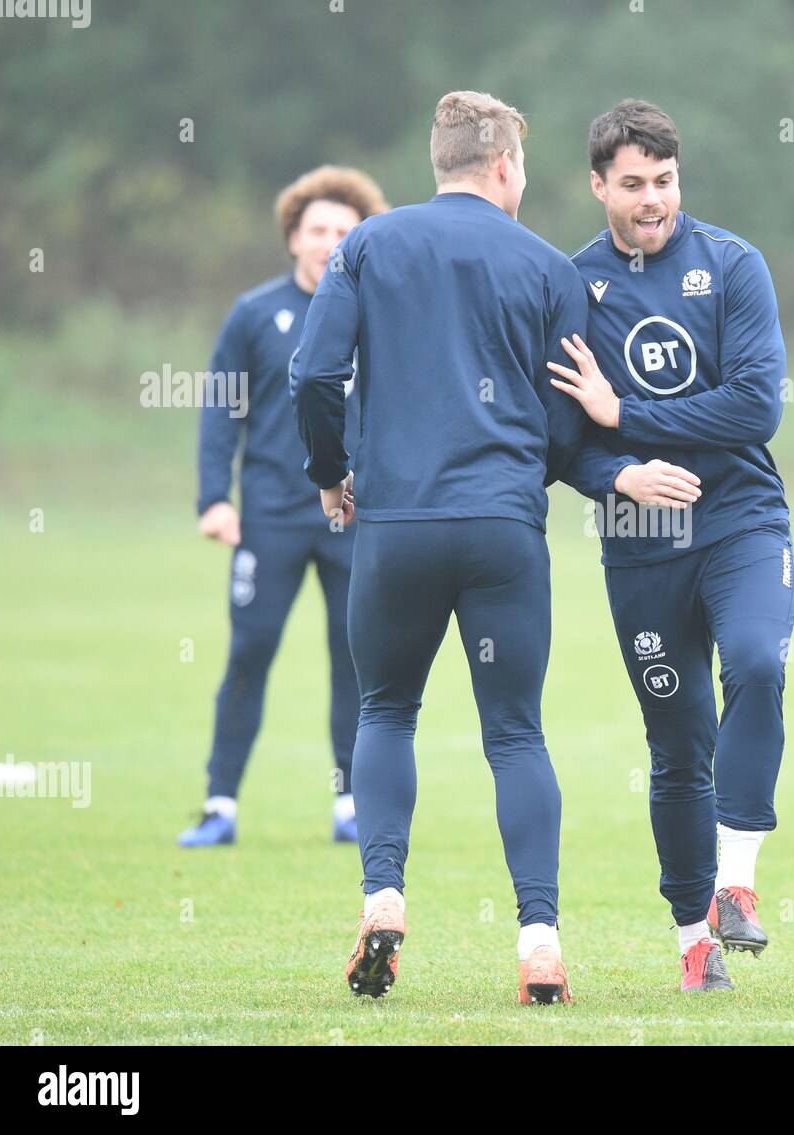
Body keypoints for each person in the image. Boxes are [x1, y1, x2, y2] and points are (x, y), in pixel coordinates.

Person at [291, 91, 587, 1003]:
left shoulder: (370, 244)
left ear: (439, 161)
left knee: (384, 712)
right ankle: (538, 937)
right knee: (516, 732)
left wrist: (331, 472)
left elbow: (312, 372)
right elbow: (570, 420)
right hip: (502, 529)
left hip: (396, 528)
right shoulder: (545, 263)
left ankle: (383, 896)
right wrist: (520, 485)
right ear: (504, 165)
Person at [551, 100, 794, 992]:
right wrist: (619, 474)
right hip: (639, 539)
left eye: (663, 182)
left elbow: (755, 404)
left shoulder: (733, 265)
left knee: (760, 663)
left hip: (740, 518)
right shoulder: (570, 287)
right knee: (678, 745)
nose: (650, 200)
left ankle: (739, 884)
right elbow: (562, 440)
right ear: (597, 185)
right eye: (631, 184)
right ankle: (697, 942)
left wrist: (630, 417)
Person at [182, 166, 388, 848]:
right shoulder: (252, 313)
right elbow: (221, 412)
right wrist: (215, 498)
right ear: (293, 237)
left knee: (354, 657)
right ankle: (220, 803)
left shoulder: (379, 313)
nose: (329, 242)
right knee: (251, 651)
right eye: (317, 230)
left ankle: (351, 803)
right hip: (269, 515)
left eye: (343, 231)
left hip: (355, 517)